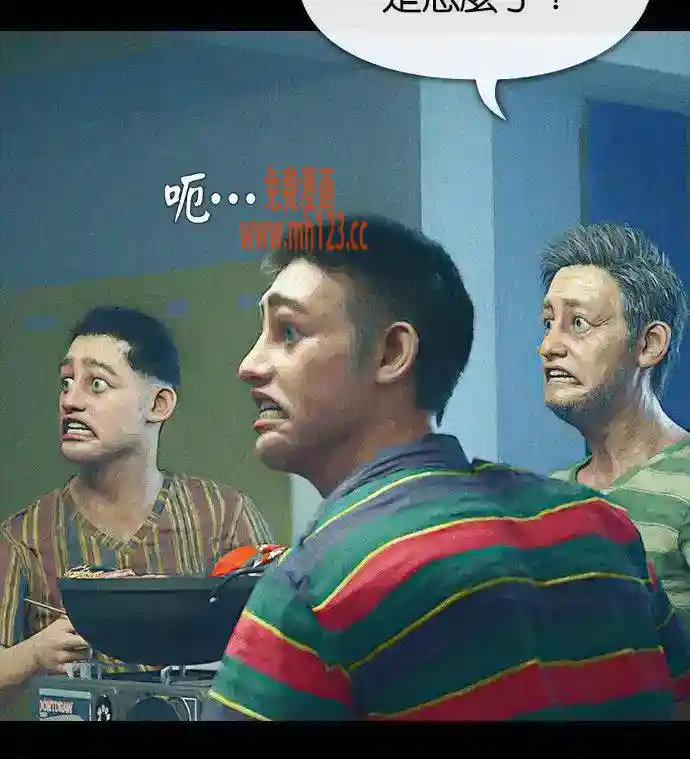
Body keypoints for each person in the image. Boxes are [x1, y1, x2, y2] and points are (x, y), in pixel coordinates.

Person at [204, 215, 690, 722]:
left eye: (288, 332)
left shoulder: (313, 589)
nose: (249, 364)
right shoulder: (601, 524)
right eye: (548, 322)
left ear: (392, 352)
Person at [0, 305, 273, 697]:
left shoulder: (226, 518)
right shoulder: (23, 537)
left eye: (96, 384)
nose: (70, 401)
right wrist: (32, 654)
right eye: (66, 382)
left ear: (158, 404)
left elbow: (281, 653)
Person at [539, 221, 689, 630]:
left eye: (579, 323)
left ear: (648, 344)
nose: (548, 346)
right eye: (548, 322)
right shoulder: (548, 496)